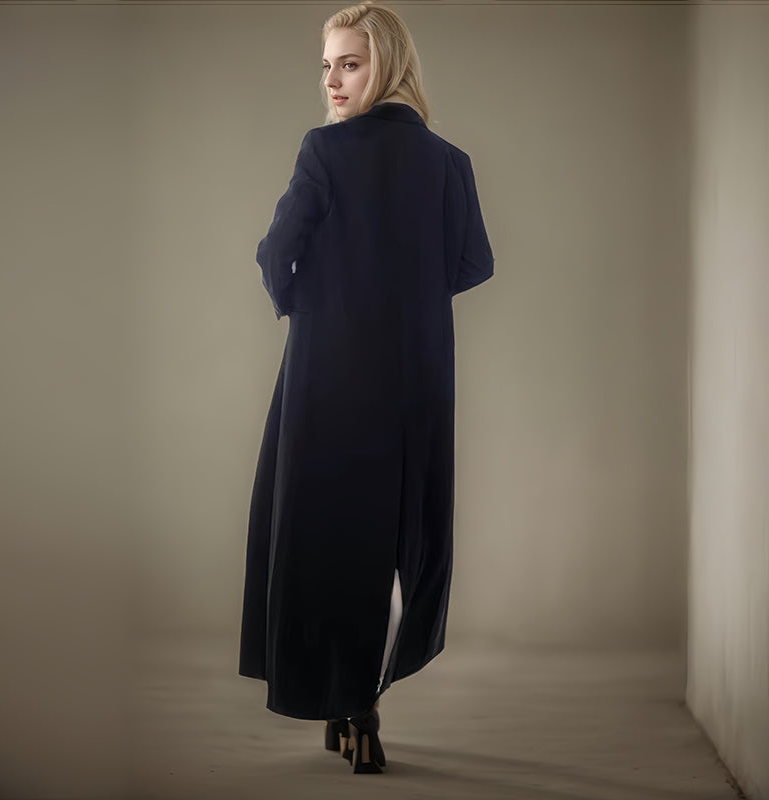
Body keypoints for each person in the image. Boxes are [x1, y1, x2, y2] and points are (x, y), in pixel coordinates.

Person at [238, 1, 494, 774]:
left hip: (330, 373)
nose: (333, 80)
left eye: (349, 63)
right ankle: (362, 699)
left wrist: (312, 304)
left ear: (387, 64)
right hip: (417, 375)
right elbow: (474, 263)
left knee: (325, 534)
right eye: (327, 65)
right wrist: (407, 297)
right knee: (394, 533)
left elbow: (274, 254)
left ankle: (342, 696)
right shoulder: (448, 162)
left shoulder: (324, 150)